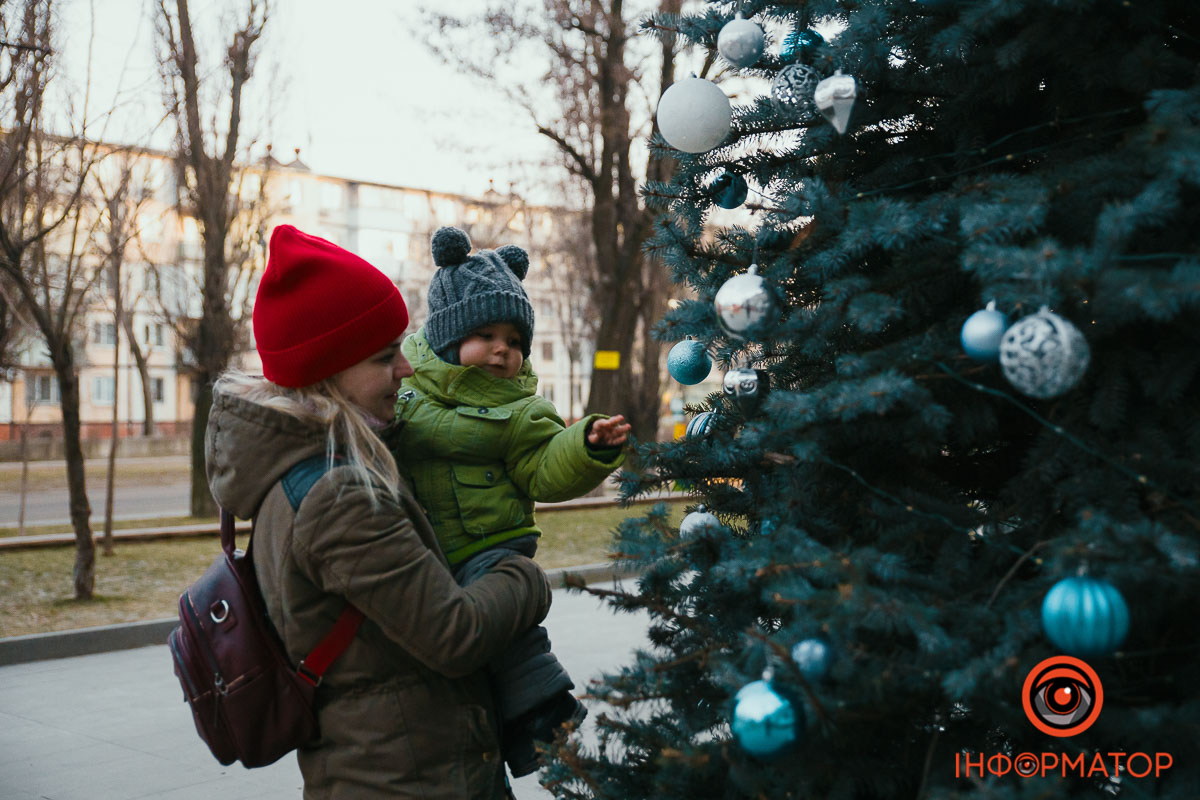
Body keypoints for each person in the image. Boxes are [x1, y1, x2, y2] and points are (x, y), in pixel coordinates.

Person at [205, 224, 551, 800]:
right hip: (409, 779)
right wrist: (525, 577)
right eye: (385, 356)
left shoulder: (301, 465)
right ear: (331, 369)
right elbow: (454, 632)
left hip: (396, 766)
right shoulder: (339, 493)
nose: (407, 368)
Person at [391, 226, 631, 777]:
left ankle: (546, 719)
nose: (503, 350)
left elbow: (545, 470)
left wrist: (586, 444)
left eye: (515, 340)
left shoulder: (522, 410)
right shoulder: (405, 391)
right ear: (448, 337)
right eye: (486, 335)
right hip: (425, 548)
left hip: (491, 543)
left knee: (512, 635)